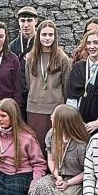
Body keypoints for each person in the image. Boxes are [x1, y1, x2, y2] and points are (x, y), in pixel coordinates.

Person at [25, 105, 88, 195]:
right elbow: (51, 159)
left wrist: (68, 183)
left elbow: (87, 172)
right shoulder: (51, 134)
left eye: (54, 117)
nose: (51, 118)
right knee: (40, 185)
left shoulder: (81, 144)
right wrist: (56, 175)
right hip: (58, 175)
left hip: (76, 180)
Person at [25, 20, 71, 153]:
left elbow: (66, 85)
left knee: (53, 144)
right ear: (38, 36)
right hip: (34, 107)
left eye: (50, 35)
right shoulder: (31, 57)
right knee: (35, 143)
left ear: (55, 37)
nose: (47, 38)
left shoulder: (62, 57)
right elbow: (28, 82)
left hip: (54, 108)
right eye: (44, 34)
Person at [67, 29, 98, 132]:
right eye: (88, 43)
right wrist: (77, 121)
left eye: (96, 42)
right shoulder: (77, 68)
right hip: (78, 122)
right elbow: (72, 97)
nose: (92, 46)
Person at [9, 5, 38, 119]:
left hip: (36, 96)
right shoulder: (12, 46)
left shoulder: (42, 44)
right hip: (18, 95)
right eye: (22, 21)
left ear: (36, 21)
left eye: (29, 20)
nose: (26, 25)